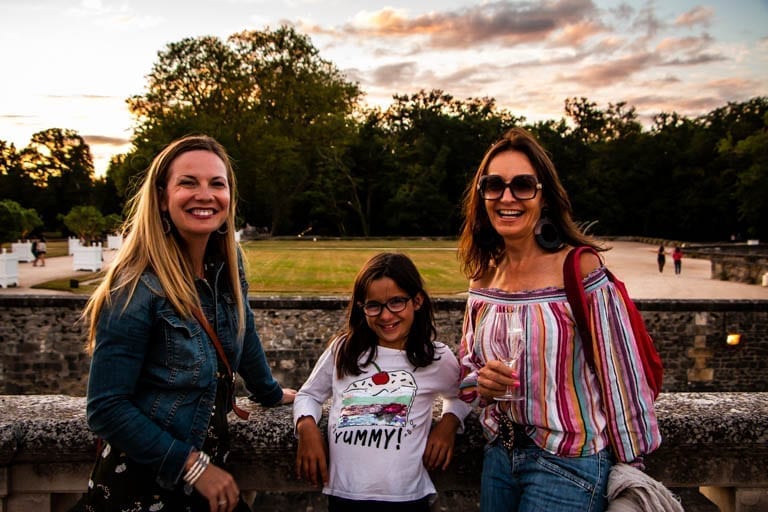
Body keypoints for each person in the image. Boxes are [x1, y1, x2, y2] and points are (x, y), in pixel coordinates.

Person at [74, 135, 296, 512]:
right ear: (162, 197)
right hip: (142, 490)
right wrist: (192, 466)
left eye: (217, 183)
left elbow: (244, 329)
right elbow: (105, 407)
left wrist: (270, 393)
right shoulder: (136, 286)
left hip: (201, 487)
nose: (205, 194)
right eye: (188, 183)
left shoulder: (226, 265)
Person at [456, 128, 661, 512]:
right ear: (481, 195)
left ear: (544, 195)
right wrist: (481, 383)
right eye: (494, 185)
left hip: (569, 462)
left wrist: (633, 463)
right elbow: (467, 364)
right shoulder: (483, 277)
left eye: (522, 185)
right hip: (500, 458)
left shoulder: (579, 268)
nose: (507, 197)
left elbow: (621, 373)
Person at [293, 252, 472, 512]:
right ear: (361, 307)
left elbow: (465, 393)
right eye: (373, 305)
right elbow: (308, 395)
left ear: (418, 300)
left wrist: (448, 424)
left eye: (397, 302)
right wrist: (306, 427)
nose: (386, 316)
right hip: (345, 494)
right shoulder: (344, 349)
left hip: (407, 497)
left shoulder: (435, 357)